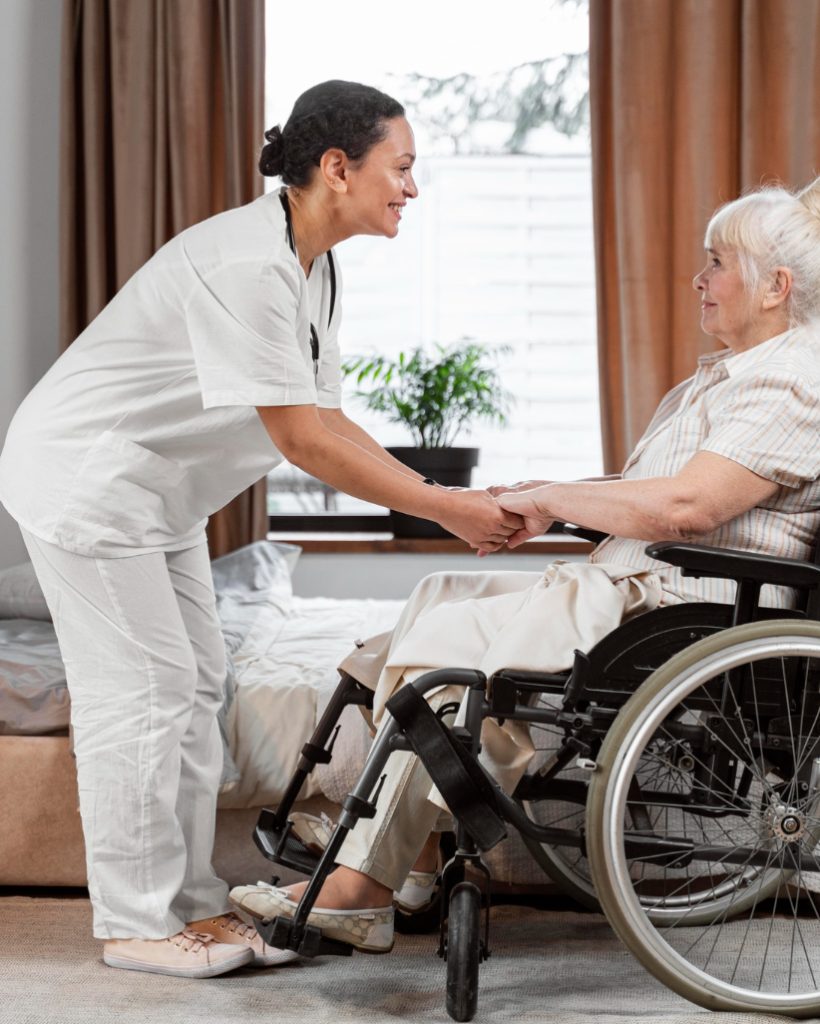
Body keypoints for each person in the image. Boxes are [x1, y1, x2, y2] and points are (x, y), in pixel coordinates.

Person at [0, 80, 522, 979]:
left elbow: (329, 414)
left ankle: (190, 901)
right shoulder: (249, 265)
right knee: (144, 688)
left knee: (200, 680)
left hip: (157, 492)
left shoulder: (311, 263)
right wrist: (450, 508)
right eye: (400, 168)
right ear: (336, 168)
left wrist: (442, 496)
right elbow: (304, 441)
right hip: (89, 480)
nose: (411, 188)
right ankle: (132, 924)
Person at [230, 176, 820, 954]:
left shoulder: (791, 382)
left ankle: (365, 881)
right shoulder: (726, 377)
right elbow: (652, 490)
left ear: (776, 286)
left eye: (717, 263)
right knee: (437, 597)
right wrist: (538, 494)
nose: (698, 280)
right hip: (639, 587)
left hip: (676, 606)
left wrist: (549, 500)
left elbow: (686, 508)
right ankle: (403, 848)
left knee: (457, 669)